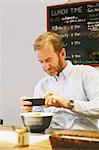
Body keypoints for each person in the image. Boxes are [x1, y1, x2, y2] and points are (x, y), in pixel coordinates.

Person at [20, 32, 99, 130]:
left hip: (84, 139)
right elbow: (37, 127)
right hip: (51, 139)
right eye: (41, 62)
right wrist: (29, 113)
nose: (46, 67)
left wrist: (67, 104)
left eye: (49, 60)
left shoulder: (86, 73)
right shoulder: (42, 85)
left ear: (62, 54)